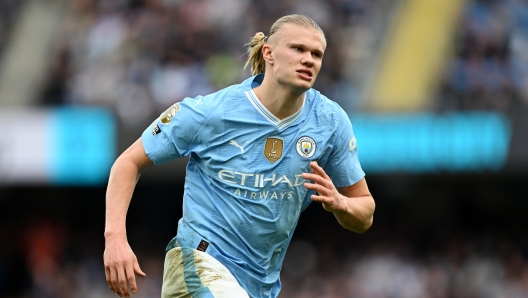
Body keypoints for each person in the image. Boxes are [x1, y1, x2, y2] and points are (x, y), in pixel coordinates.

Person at [104, 14, 375, 298]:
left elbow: (364, 212)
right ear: (268, 53)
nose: (309, 59)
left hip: (261, 285)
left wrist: (340, 203)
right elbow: (128, 162)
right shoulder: (210, 112)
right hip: (199, 263)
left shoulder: (330, 122)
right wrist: (115, 239)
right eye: (298, 49)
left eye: (316, 54)